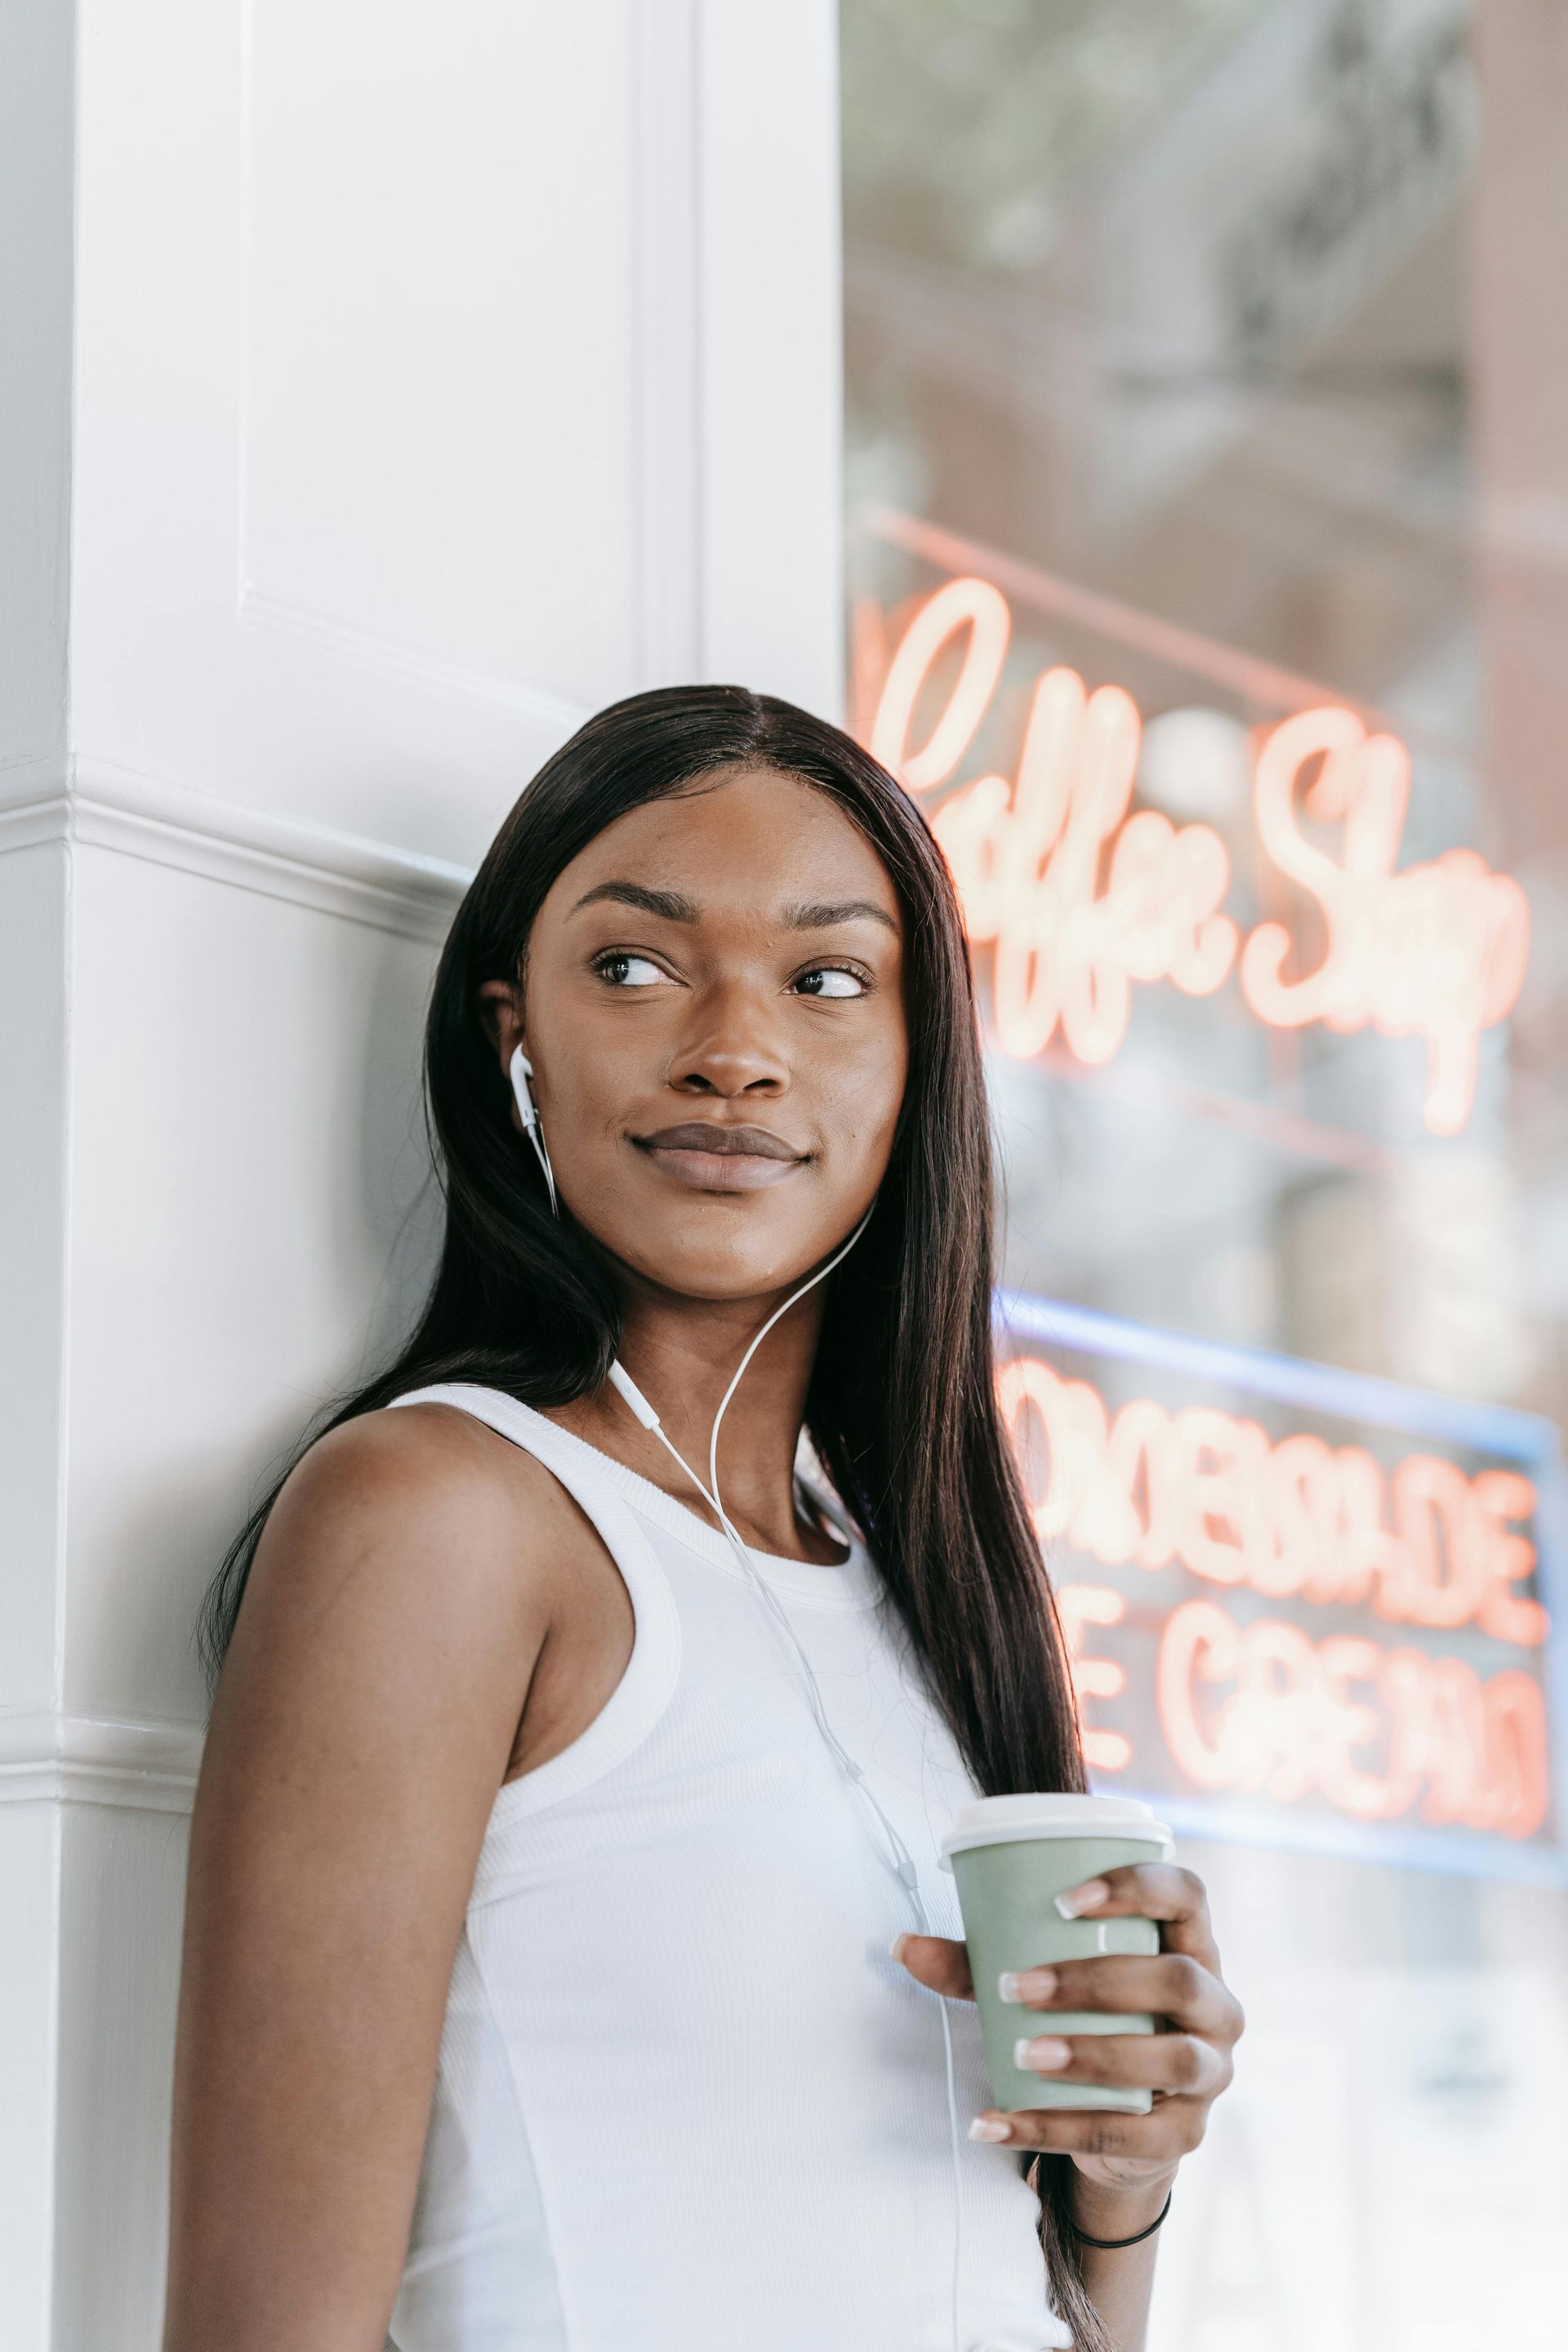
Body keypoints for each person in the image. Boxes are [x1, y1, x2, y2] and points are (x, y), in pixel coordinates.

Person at [164, 686, 1243, 2352]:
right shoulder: (442, 1516)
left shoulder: (915, 1588)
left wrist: (1122, 2179)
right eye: (636, 967)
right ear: (514, 1032)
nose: (733, 1050)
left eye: (826, 981)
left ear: (912, 1062)